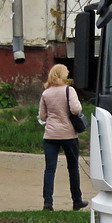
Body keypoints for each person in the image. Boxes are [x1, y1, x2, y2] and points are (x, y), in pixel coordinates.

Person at [38, 64, 88, 212]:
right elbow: (76, 109)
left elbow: (42, 116)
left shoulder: (46, 93)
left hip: (50, 136)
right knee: (73, 168)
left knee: (49, 170)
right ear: (62, 75)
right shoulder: (69, 90)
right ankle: (77, 201)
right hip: (68, 135)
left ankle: (48, 203)